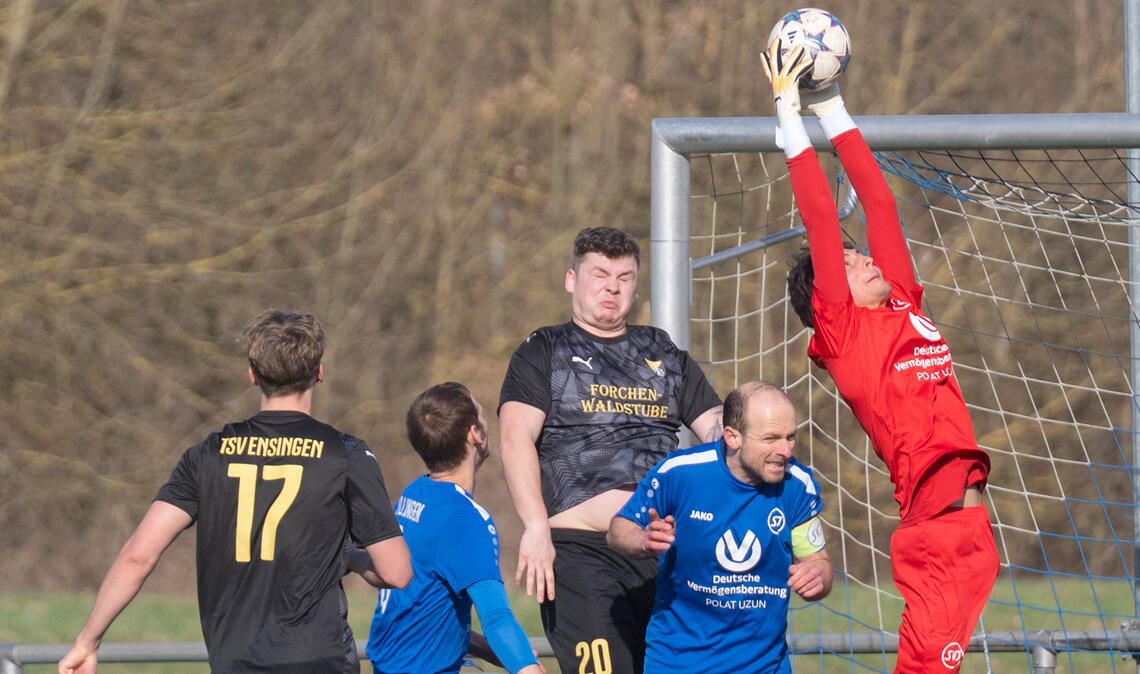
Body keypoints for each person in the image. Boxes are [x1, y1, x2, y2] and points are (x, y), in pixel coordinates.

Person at [763, 39, 999, 673]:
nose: (864, 256)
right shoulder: (843, 331)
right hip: (937, 533)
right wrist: (789, 112)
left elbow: (881, 204)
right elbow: (818, 214)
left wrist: (833, 109)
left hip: (971, 534)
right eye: (848, 261)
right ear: (826, 296)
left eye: (860, 254)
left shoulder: (900, 301)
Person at [58, 310, 412, 674]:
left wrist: (88, 641)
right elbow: (396, 572)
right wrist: (347, 555)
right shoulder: (347, 454)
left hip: (235, 664)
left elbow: (138, 556)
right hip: (321, 661)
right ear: (319, 372)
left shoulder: (206, 455)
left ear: (252, 374)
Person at [498, 226, 724, 674]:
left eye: (624, 277)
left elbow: (719, 432)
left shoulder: (661, 350)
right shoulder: (545, 349)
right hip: (584, 553)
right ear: (571, 279)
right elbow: (515, 437)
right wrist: (535, 526)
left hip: (665, 551)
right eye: (600, 274)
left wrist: (757, 432)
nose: (612, 287)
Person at [607, 381, 831, 673]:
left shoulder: (797, 485)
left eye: (791, 437)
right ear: (732, 437)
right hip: (680, 662)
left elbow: (818, 562)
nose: (785, 451)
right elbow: (618, 530)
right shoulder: (681, 474)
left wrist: (818, 578)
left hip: (765, 666)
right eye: (771, 439)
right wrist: (642, 538)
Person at [362, 382, 543, 674]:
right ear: (474, 433)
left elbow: (423, 611)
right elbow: (496, 617)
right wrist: (526, 668)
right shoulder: (464, 520)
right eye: (482, 415)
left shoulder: (414, 494)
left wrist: (492, 651)